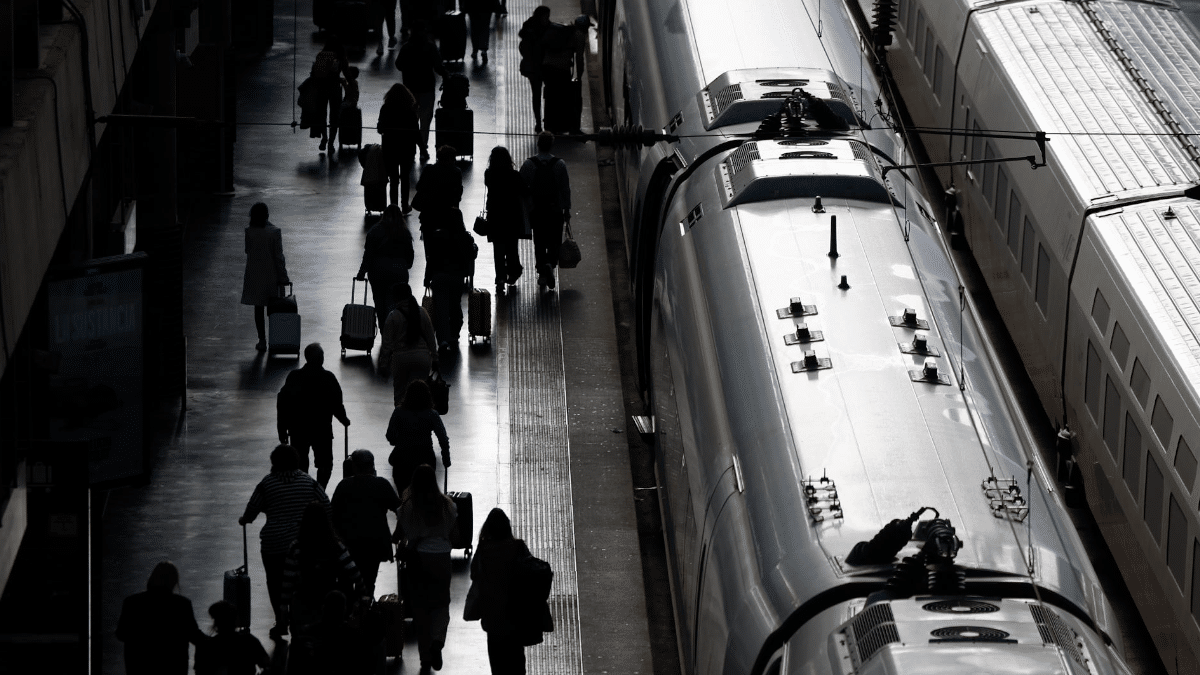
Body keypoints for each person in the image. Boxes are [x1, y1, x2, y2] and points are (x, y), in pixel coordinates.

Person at [239, 445, 331, 639]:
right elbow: (326, 506)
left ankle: (281, 621)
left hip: (274, 544)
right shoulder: (308, 482)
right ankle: (300, 619)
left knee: (275, 582)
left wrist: (245, 519)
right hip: (303, 543)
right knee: (299, 582)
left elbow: (251, 511)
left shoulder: (267, 484)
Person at [395, 464, 458, 673]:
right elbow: (452, 529)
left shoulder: (410, 505)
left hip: (419, 558)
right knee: (441, 603)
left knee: (421, 609)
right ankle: (437, 642)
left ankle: (425, 659)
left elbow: (405, 529)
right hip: (442, 557)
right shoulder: (446, 504)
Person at [469, 509, 545, 675]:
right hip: (516, 614)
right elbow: (532, 571)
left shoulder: (484, 549)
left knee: (497, 663)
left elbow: (474, 573)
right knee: (517, 661)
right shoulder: (518, 547)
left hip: (493, 616)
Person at [281, 501, 368, 638]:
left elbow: (288, 580)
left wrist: (284, 606)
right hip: (329, 602)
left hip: (304, 601)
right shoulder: (336, 546)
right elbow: (354, 572)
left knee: (302, 641)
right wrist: (362, 592)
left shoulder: (296, 547)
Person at [276, 343, 352, 489]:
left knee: (299, 463)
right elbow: (336, 403)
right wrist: (343, 419)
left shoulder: (294, 377)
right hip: (322, 429)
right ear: (320, 358)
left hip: (298, 429)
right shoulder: (328, 378)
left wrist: (282, 429)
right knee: (325, 463)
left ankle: (303, 489)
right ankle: (319, 489)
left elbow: (283, 403)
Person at [115, 561, 208, 675]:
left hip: (139, 667)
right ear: (173, 581)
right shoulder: (181, 604)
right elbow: (194, 635)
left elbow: (121, 634)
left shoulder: (132, 602)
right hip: (173, 667)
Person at [332, 449, 402, 597]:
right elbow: (401, 510)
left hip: (349, 545)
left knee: (345, 584)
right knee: (368, 583)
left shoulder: (343, 486)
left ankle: (348, 614)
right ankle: (364, 612)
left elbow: (332, 516)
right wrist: (397, 533)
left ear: (354, 467)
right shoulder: (381, 485)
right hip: (374, 545)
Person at [519, 132, 571, 290]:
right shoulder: (559, 164)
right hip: (554, 210)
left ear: (538, 144)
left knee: (539, 241)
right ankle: (550, 263)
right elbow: (565, 189)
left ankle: (542, 271)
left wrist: (528, 205)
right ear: (551, 145)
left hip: (537, 210)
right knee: (555, 240)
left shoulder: (529, 164)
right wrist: (567, 210)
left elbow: (520, 186)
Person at [422, 205, 476, 349]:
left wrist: (427, 278)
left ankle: (443, 339)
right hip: (457, 277)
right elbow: (471, 255)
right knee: (455, 306)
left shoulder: (437, 235)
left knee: (441, 309)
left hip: (439, 276)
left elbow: (431, 259)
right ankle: (454, 334)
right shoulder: (464, 236)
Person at [396, 21, 449, 162]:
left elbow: (398, 65)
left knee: (410, 121)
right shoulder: (430, 47)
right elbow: (438, 66)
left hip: (410, 90)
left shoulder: (406, 47)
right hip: (426, 89)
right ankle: (423, 148)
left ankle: (411, 148)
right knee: (425, 121)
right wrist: (446, 75)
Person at [240, 202, 289, 352]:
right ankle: (278, 339)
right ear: (267, 215)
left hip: (255, 276)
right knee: (276, 308)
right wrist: (284, 277)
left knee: (258, 309)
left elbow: (248, 250)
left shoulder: (249, 232)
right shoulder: (274, 232)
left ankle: (262, 340)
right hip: (272, 276)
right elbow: (279, 257)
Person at [386, 380, 450, 495]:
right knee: (424, 495)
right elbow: (443, 439)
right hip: (425, 458)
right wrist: (446, 458)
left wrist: (399, 441)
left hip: (402, 459)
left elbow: (390, 435)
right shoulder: (432, 414)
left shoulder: (399, 412)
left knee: (403, 495)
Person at [379, 283, 439, 404]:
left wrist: (383, 364)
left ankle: (402, 420)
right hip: (422, 359)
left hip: (401, 360)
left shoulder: (392, 316)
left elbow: (387, 345)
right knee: (420, 397)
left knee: (400, 397)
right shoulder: (422, 312)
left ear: (396, 297)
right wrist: (435, 359)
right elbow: (431, 338)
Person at [357, 205, 415, 330]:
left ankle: (385, 332)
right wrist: (405, 266)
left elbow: (368, 254)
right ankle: (396, 330)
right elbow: (410, 257)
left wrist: (362, 272)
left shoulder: (375, 230)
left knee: (380, 303)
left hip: (378, 273)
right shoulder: (404, 232)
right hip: (398, 273)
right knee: (396, 303)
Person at [483, 146, 528, 296]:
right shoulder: (514, 175)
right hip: (512, 216)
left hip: (495, 216)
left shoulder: (489, 174)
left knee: (498, 249)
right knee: (511, 247)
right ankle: (514, 272)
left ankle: (500, 278)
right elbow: (525, 191)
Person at [194, 601, 271, 675]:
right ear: (236, 620)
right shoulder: (250, 641)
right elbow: (267, 665)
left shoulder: (206, 646)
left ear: (215, 622)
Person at [377, 83, 421, 212]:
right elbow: (416, 131)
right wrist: (422, 148)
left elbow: (380, 129)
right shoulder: (410, 110)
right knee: (405, 178)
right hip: (407, 148)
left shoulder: (385, 108)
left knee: (393, 179)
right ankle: (404, 205)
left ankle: (394, 206)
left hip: (390, 148)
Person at [311, 39, 349, 157]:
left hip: (321, 88)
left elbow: (314, 73)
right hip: (335, 89)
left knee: (322, 114)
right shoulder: (340, 57)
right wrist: (350, 85)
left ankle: (324, 139)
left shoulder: (321, 55)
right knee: (334, 117)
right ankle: (331, 143)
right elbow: (347, 73)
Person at [518, 6, 552, 132]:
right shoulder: (540, 28)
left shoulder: (529, 25)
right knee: (543, 94)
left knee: (536, 94)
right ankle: (541, 121)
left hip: (534, 67)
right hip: (540, 66)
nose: (547, 19)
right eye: (546, 16)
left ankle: (540, 122)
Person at [412, 144, 464, 218]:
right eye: (453, 158)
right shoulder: (456, 172)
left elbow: (419, 187)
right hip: (447, 211)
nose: (454, 160)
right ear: (449, 159)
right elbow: (457, 194)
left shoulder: (428, 169)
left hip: (429, 210)